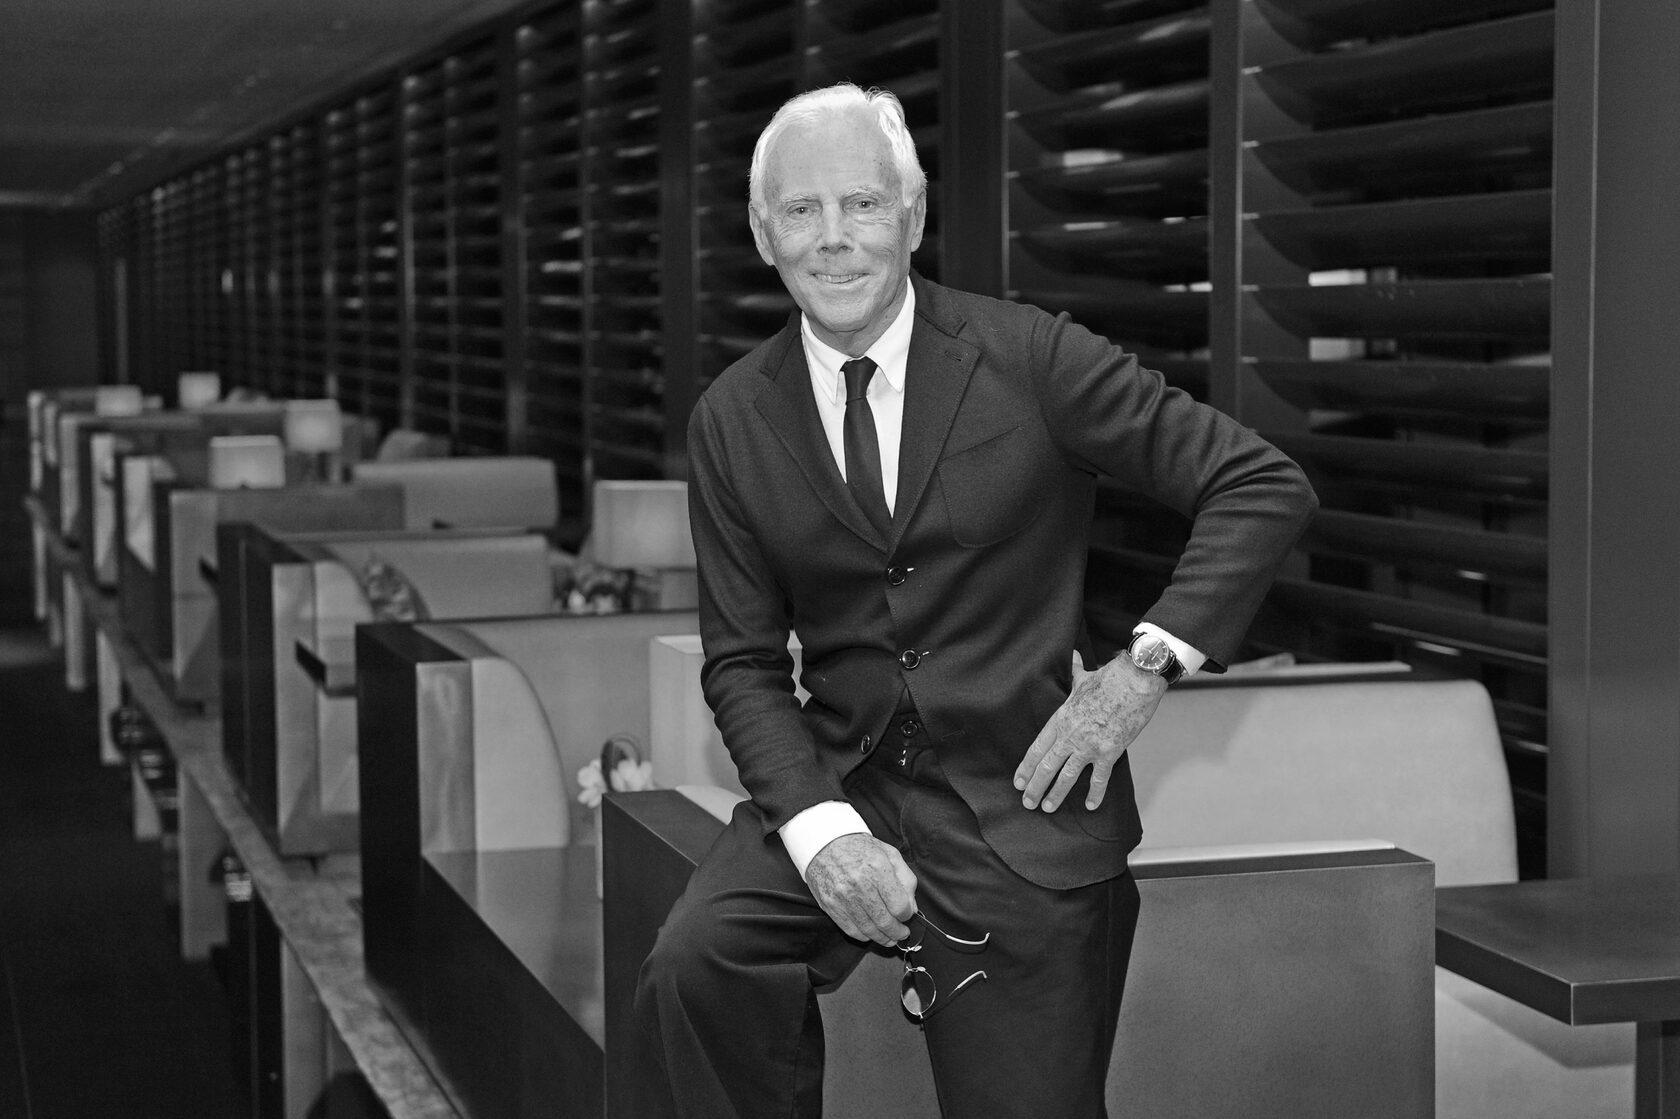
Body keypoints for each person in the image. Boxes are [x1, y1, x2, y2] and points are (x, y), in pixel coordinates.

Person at [635, 81, 1318, 1118]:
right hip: (843, 777)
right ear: (764, 234)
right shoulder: (731, 417)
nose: (833, 237)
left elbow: (1260, 483)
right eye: (801, 210)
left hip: (1022, 793)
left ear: (912, 218)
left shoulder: (1033, 356)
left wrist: (1140, 673)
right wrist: (821, 834)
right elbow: (741, 663)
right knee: (693, 966)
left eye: (863, 204)